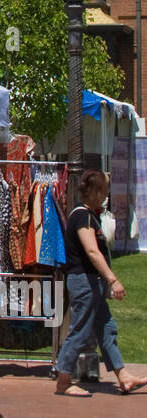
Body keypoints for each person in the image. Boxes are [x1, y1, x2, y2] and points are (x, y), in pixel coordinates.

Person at [55, 169, 147, 396]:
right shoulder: (82, 216)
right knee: (80, 330)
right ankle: (63, 381)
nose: (107, 193)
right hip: (83, 282)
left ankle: (123, 377)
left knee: (106, 328)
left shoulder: (89, 215)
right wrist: (112, 280)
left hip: (92, 283)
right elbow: (92, 251)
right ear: (96, 192)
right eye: (105, 189)